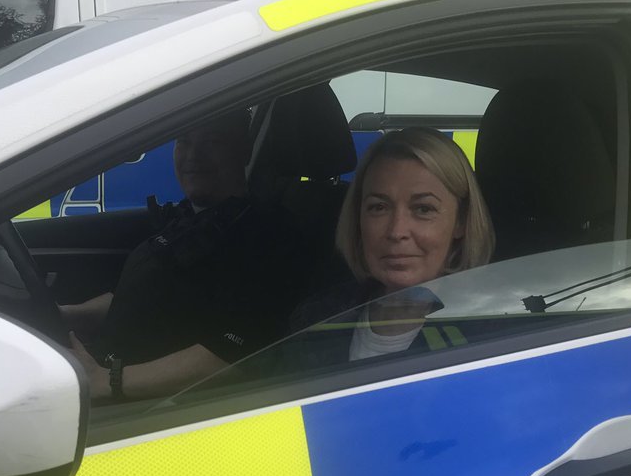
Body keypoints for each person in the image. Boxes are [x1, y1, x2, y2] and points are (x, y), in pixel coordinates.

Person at [62, 109, 303, 400]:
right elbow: (140, 297)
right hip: (101, 371)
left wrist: (107, 381)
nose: (192, 156)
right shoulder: (192, 217)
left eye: (211, 142)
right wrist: (69, 316)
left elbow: (230, 356)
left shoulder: (266, 237)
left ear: (243, 150)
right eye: (184, 141)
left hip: (152, 407)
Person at [290, 126, 494, 363]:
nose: (396, 231)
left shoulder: (494, 337)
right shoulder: (316, 322)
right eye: (379, 207)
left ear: (461, 221)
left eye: (423, 209)